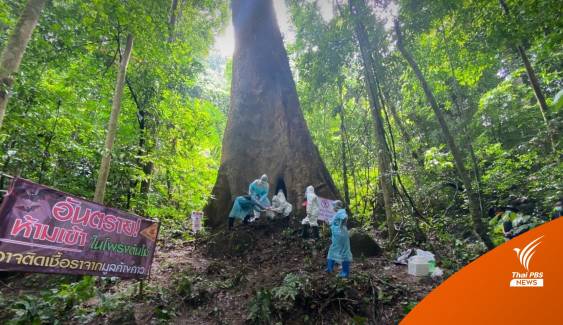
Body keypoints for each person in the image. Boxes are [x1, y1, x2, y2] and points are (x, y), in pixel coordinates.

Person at [326, 200, 352, 278]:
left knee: (343, 251)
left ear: (336, 206)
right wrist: (328, 222)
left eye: (333, 206)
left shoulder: (341, 212)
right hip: (338, 235)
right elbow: (333, 222)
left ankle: (345, 272)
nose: (332, 207)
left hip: (340, 235)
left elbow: (344, 217)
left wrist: (341, 225)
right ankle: (329, 268)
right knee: (332, 250)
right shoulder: (337, 213)